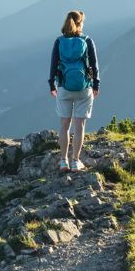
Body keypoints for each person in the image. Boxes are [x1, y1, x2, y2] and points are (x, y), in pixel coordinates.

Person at [48, 10, 100, 172]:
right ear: (80, 23)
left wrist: (52, 85)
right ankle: (76, 161)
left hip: (64, 86)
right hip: (83, 87)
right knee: (79, 125)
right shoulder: (87, 40)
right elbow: (94, 65)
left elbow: (53, 65)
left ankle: (63, 161)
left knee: (64, 125)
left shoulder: (59, 42)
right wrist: (96, 85)